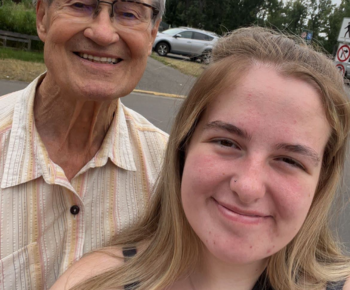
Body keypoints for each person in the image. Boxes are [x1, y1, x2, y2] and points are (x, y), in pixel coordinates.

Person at [52, 27, 350, 290]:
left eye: (290, 161)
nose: (247, 187)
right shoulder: (91, 282)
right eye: (226, 142)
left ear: (321, 181)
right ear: (183, 146)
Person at [0, 0, 168, 288]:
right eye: (79, 3)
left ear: (152, 34)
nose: (103, 33)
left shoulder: (172, 173)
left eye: (129, 12)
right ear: (43, 16)